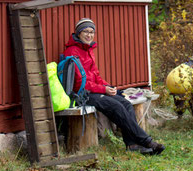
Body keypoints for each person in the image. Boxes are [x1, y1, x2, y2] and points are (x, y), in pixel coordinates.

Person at [63, 18, 164, 155]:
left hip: (94, 91)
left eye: (92, 32)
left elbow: (96, 76)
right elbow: (79, 83)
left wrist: (109, 87)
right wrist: (103, 90)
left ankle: (132, 144)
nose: (89, 35)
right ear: (78, 33)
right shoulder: (72, 52)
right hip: (82, 94)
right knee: (116, 106)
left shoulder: (88, 50)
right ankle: (146, 140)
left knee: (126, 104)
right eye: (85, 31)